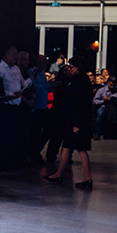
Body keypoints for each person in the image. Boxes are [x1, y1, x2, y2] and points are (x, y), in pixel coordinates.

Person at [41, 57, 93, 188]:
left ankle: (84, 177)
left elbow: (77, 103)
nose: (70, 69)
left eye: (72, 66)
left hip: (76, 120)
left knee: (76, 148)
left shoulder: (78, 81)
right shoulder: (82, 80)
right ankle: (60, 173)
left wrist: (76, 123)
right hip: (78, 119)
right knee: (70, 147)